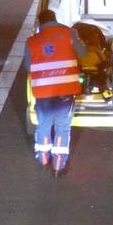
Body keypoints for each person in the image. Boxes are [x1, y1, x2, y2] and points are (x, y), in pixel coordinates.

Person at [25, 10, 86, 177]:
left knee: (43, 125)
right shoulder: (69, 33)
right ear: (54, 19)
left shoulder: (31, 41)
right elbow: (83, 54)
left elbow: (27, 67)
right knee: (62, 128)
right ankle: (58, 166)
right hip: (65, 91)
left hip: (43, 91)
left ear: (39, 23)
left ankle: (43, 160)